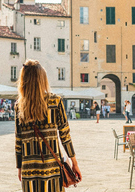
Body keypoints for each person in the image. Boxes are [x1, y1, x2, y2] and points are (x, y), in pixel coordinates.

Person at [15, 59, 82, 191]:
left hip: (29, 169)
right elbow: (65, 135)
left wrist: (19, 167)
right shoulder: (55, 101)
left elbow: (18, 140)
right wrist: (74, 163)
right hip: (51, 169)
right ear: (43, 79)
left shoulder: (20, 106)